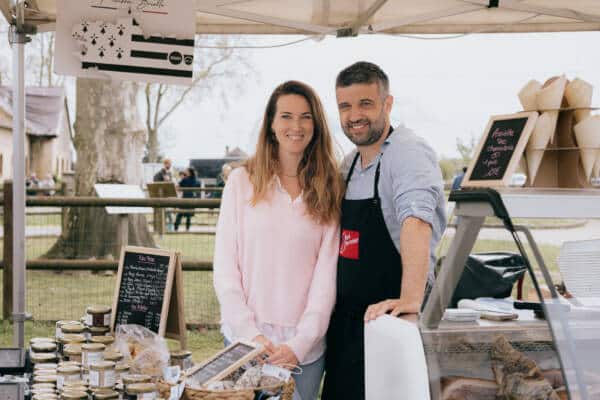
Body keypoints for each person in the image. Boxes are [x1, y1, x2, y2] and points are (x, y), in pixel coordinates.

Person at [322, 62, 447, 399]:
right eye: (345, 106)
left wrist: (410, 299)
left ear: (387, 104)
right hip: (348, 328)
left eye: (365, 103)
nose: (354, 115)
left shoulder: (408, 153)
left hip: (390, 325)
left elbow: (416, 222)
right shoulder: (349, 165)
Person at [213, 81, 343, 400]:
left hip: (303, 351)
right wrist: (250, 335)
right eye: (286, 116)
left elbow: (325, 280)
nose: (295, 126)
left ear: (316, 125)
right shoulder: (242, 183)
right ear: (271, 124)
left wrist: (299, 344)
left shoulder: (329, 189)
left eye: (305, 117)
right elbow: (226, 269)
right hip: (245, 344)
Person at [174, 167, 200, 231]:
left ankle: (176, 227)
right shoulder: (195, 179)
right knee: (188, 215)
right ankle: (187, 228)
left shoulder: (185, 179)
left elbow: (178, 186)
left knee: (180, 214)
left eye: (186, 171)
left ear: (189, 172)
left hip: (185, 197)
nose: (185, 172)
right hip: (191, 197)